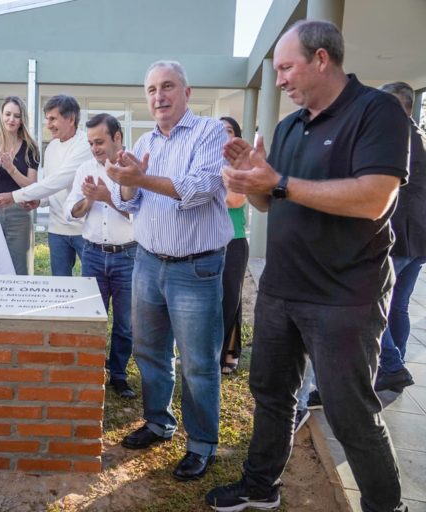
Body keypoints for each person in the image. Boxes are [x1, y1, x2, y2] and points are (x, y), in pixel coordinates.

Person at [206, 21, 409, 512]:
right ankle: (260, 486)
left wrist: (278, 183)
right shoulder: (289, 125)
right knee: (271, 394)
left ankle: (386, 506)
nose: (278, 80)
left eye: (286, 67)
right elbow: (268, 203)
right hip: (282, 288)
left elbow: (375, 198)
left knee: (349, 413)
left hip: (345, 296)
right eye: (275, 69)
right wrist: (252, 180)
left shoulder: (376, 110)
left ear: (322, 59)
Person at [107, 60, 232, 481]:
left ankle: (201, 445)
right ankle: (159, 422)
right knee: (149, 351)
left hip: (194, 270)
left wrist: (139, 178)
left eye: (167, 87)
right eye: (151, 90)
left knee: (198, 362)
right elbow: (128, 202)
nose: (158, 97)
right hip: (147, 262)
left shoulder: (210, 132)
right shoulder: (146, 140)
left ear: (186, 92)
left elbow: (198, 190)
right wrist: (127, 179)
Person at [64, 113, 137, 399]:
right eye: (91, 142)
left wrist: (108, 197)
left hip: (128, 255)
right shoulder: (84, 169)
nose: (95, 148)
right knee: (92, 320)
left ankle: (119, 375)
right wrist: (91, 198)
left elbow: (137, 214)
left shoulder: (132, 169)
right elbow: (71, 212)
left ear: (117, 137)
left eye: (100, 141)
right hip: (92, 254)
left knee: (124, 322)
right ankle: (92, 373)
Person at [0, 94, 91, 276]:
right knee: (61, 286)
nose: (48, 125)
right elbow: (51, 187)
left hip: (84, 230)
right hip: (57, 231)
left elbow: (60, 180)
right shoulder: (51, 148)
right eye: (47, 119)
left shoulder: (85, 144)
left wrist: (14, 196)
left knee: (92, 284)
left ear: (71, 119)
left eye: (53, 119)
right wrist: (40, 202)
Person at [375, 81, 426, 393]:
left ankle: (392, 366)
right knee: (398, 306)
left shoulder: (398, 136)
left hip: (401, 235)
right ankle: (396, 366)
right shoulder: (419, 135)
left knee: (371, 302)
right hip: (419, 238)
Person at [0, 96, 40, 275]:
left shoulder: (31, 148)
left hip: (19, 212)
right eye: (8, 114)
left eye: (16, 116)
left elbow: (32, 188)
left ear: (22, 120)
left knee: (19, 267)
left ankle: (19, 302)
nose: (11, 119)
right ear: (1, 115)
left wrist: (11, 169)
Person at [219, 116, 249, 374]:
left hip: (234, 240)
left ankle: (226, 354)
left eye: (228, 130)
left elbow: (236, 200)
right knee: (213, 300)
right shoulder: (208, 160)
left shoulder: (241, 164)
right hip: (209, 240)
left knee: (230, 300)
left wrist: (203, 191)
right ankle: (227, 350)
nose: (223, 135)